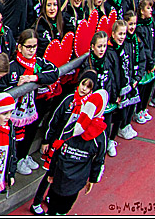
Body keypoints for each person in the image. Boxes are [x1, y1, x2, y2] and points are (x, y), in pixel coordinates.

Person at [30, 70, 97, 215]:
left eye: (88, 87)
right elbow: (53, 121)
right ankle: (36, 202)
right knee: (49, 174)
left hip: (71, 149)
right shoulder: (68, 100)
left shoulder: (90, 107)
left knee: (61, 177)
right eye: (83, 84)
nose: (84, 89)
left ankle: (50, 198)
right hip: (57, 145)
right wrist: (47, 140)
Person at [44, 89, 109, 216]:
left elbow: (57, 151)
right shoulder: (100, 136)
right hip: (76, 181)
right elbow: (99, 160)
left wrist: (51, 172)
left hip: (59, 176)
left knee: (52, 207)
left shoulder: (72, 127)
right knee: (63, 209)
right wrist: (92, 179)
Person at [9, 29, 59, 174]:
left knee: (30, 132)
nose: (32, 50)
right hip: (13, 113)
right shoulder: (12, 65)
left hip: (33, 108)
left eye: (34, 47)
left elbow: (54, 72)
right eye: (28, 47)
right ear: (20, 47)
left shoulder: (38, 62)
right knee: (15, 137)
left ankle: (23, 157)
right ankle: (15, 162)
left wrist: (34, 78)